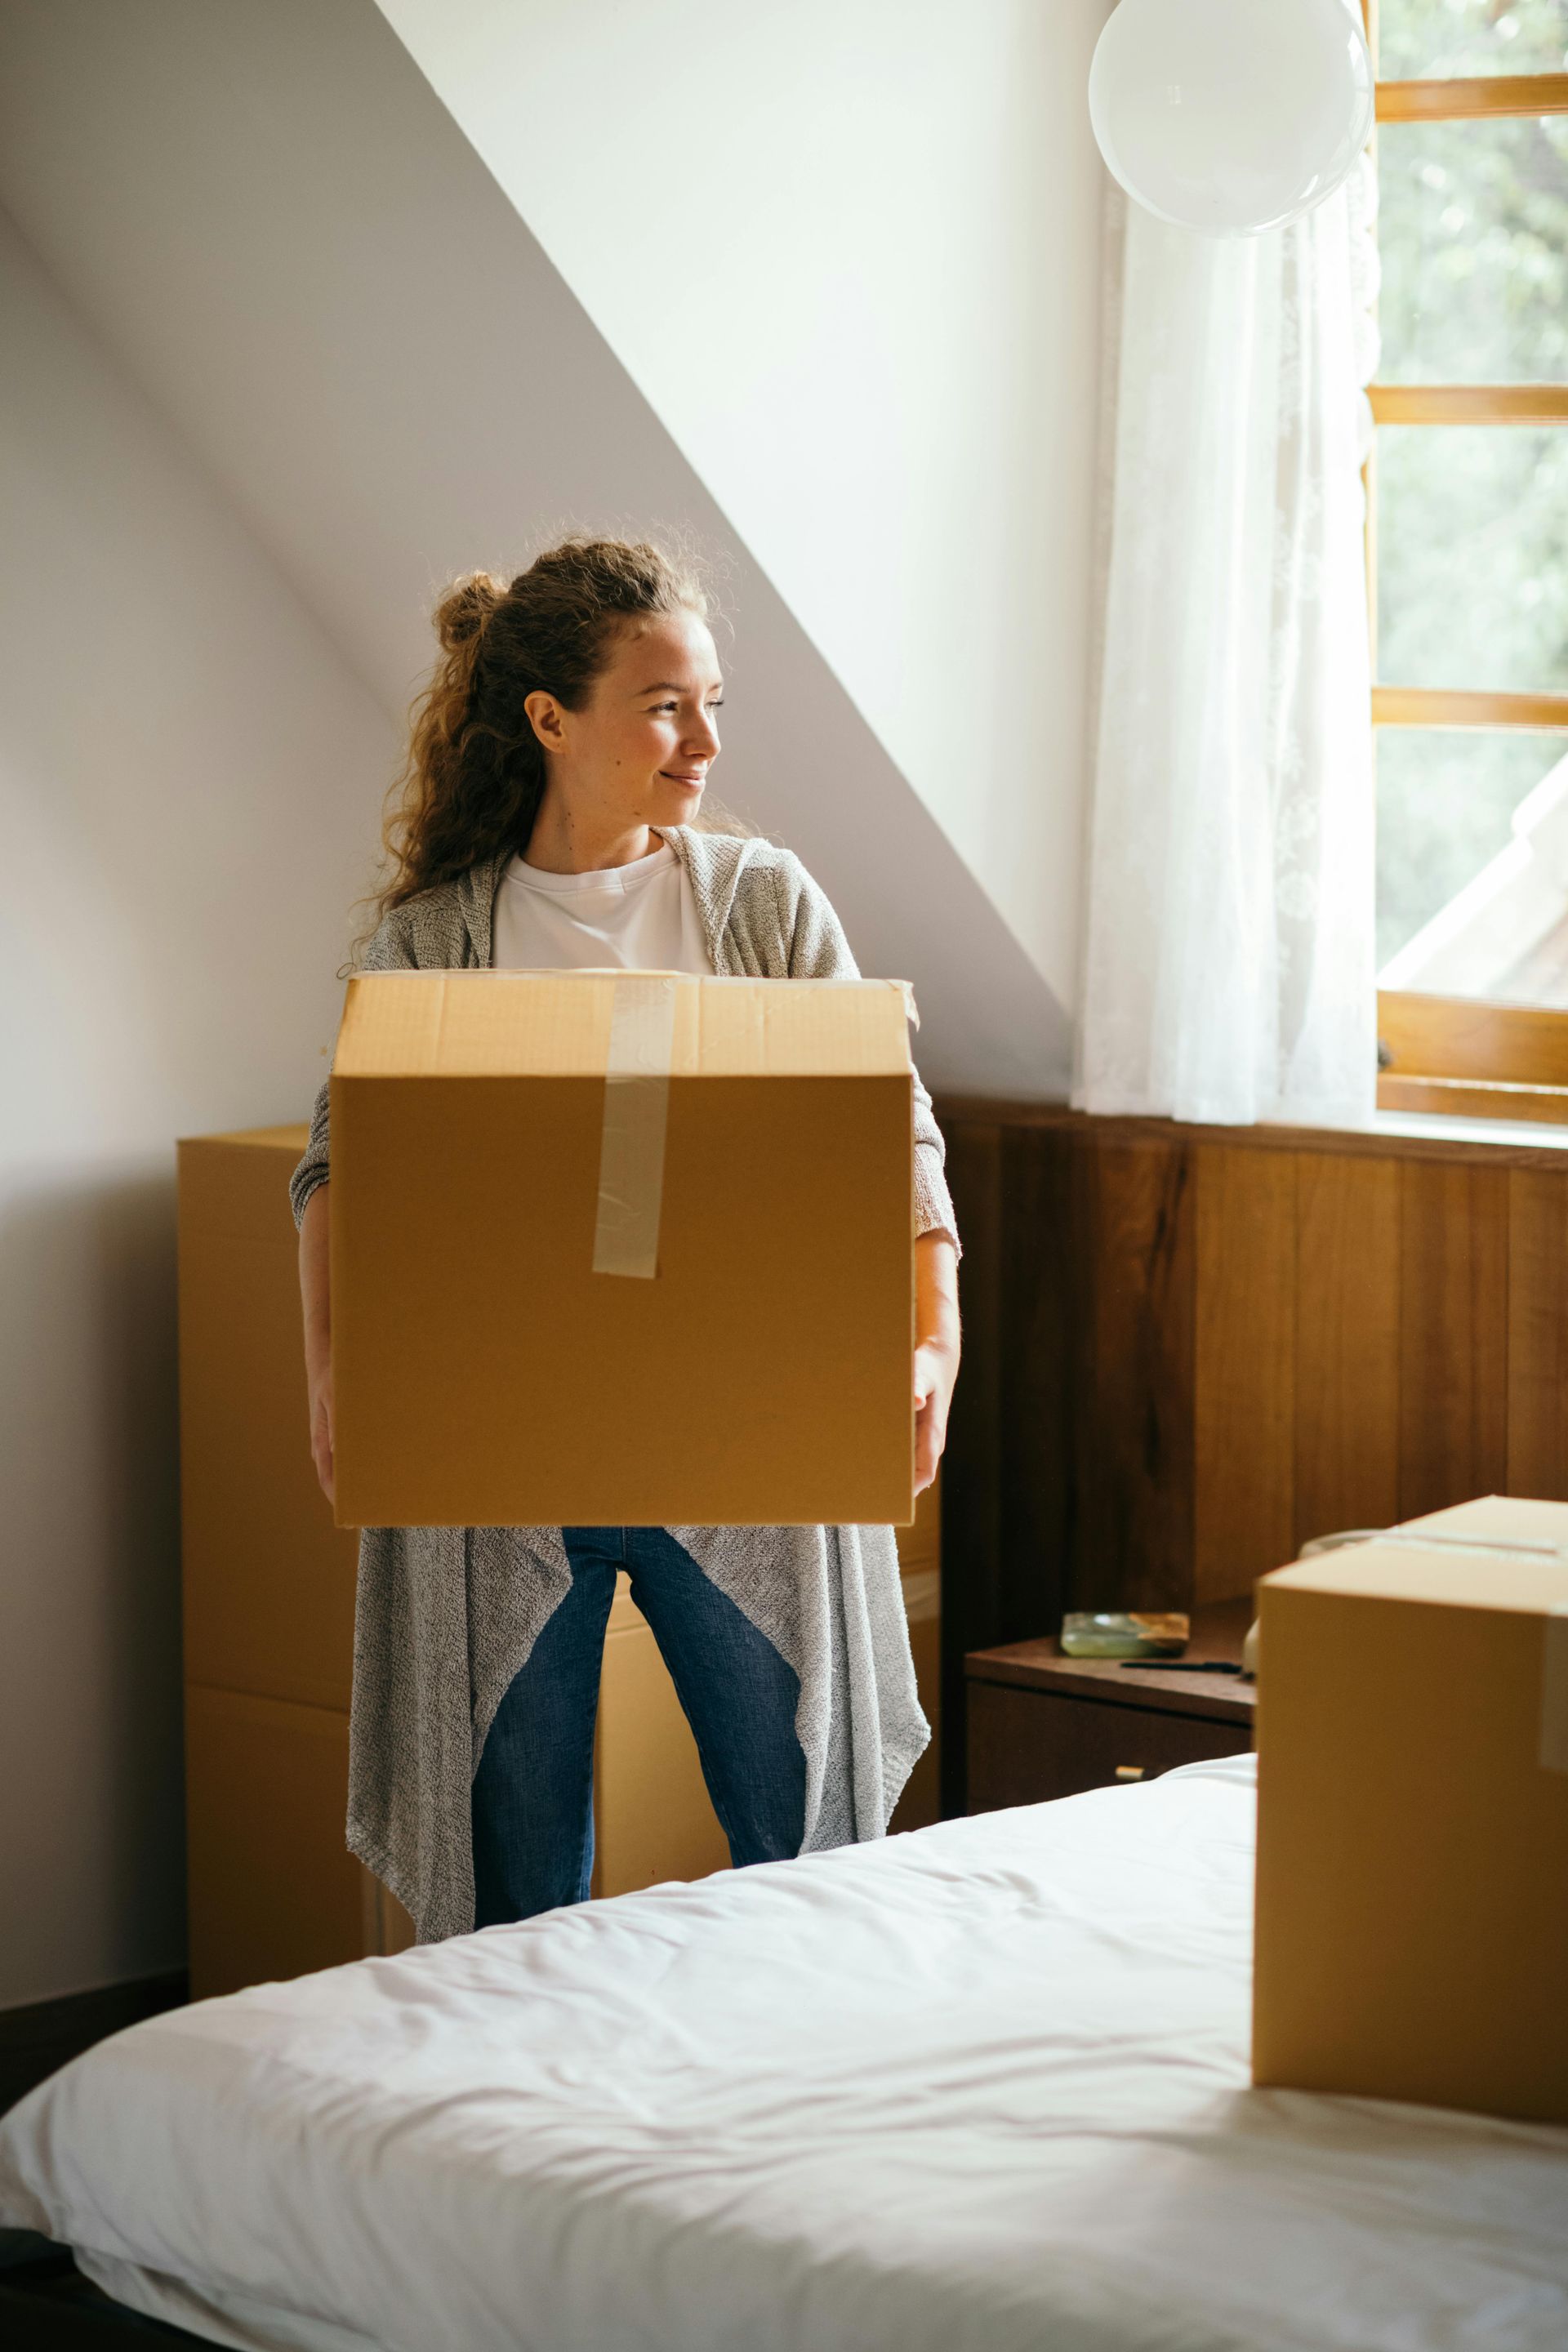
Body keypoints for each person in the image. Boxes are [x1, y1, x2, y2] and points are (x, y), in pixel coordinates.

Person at [291, 535, 961, 1942]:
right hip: (499, 1464)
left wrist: (933, 1337)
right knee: (512, 1905)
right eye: (666, 704)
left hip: (747, 1445)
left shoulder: (763, 903)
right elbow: (343, 1170)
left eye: (713, 702)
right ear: (551, 719)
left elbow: (893, 1132)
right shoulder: (433, 943)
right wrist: (334, 1374)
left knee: (807, 1864)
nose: (704, 740)